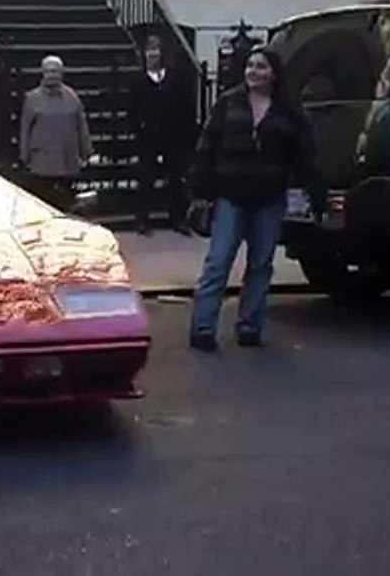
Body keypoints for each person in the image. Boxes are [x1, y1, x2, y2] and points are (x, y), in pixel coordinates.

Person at [187, 47, 325, 352]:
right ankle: (203, 328)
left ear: (273, 73)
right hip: (231, 194)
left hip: (268, 197)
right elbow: (207, 146)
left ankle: (250, 325)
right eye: (250, 66)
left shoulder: (288, 111)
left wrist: (316, 195)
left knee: (261, 263)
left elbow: (305, 156)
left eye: (260, 67)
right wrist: (199, 191)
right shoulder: (228, 103)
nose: (253, 71)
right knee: (218, 261)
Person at [129, 34, 194, 236]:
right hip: (148, 136)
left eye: (156, 50)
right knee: (146, 177)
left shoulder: (174, 78)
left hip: (172, 134)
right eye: (150, 50)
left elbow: (185, 105)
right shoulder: (138, 80)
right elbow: (132, 108)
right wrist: (139, 126)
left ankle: (177, 218)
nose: (153, 54)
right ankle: (142, 219)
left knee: (175, 178)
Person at [19, 55, 94, 210]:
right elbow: (25, 128)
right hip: (42, 162)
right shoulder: (32, 98)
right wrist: (24, 155)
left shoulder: (72, 97)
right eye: (48, 71)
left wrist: (86, 150)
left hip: (67, 159)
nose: (51, 75)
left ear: (61, 73)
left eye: (54, 71)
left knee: (66, 204)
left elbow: (81, 125)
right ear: (42, 73)